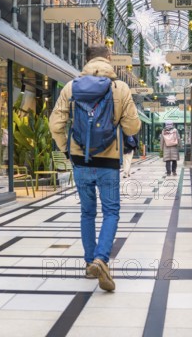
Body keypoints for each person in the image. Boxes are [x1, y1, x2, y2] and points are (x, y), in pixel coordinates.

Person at [49, 45, 141, 292]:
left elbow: (55, 123)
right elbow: (132, 127)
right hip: (108, 162)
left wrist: (67, 149)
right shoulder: (119, 88)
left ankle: (90, 262)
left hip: (81, 161)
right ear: (109, 60)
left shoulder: (71, 87)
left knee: (87, 212)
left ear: (85, 61)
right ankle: (102, 258)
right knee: (111, 212)